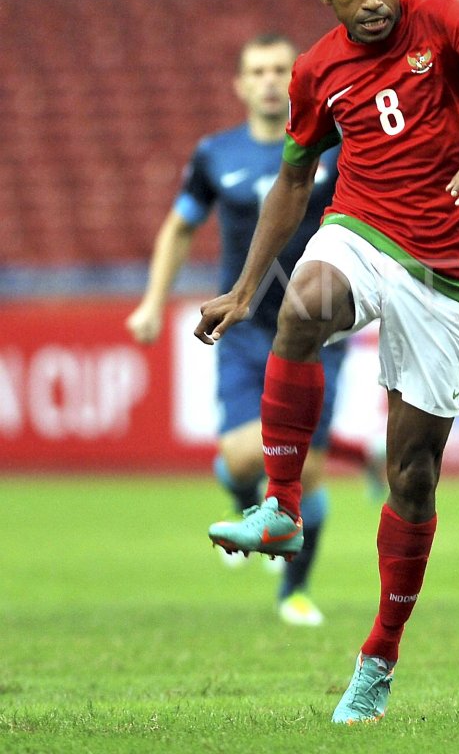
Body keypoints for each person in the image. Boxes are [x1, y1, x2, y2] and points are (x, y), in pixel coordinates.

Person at [193, 0, 459, 724]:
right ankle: (283, 509)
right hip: (361, 229)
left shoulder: (444, 17)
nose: (372, 1)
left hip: (446, 268)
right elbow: (294, 182)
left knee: (413, 477)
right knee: (303, 307)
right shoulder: (316, 70)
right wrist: (246, 289)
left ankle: (379, 657)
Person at [127, 32, 359, 628]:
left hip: (318, 329)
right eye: (257, 71)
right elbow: (179, 227)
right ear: (239, 84)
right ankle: (242, 500)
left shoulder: (334, 147)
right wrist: (153, 302)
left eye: (279, 69)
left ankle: (293, 592)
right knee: (239, 457)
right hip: (245, 327)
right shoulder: (215, 154)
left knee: (306, 469)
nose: (269, 81)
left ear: (297, 80)